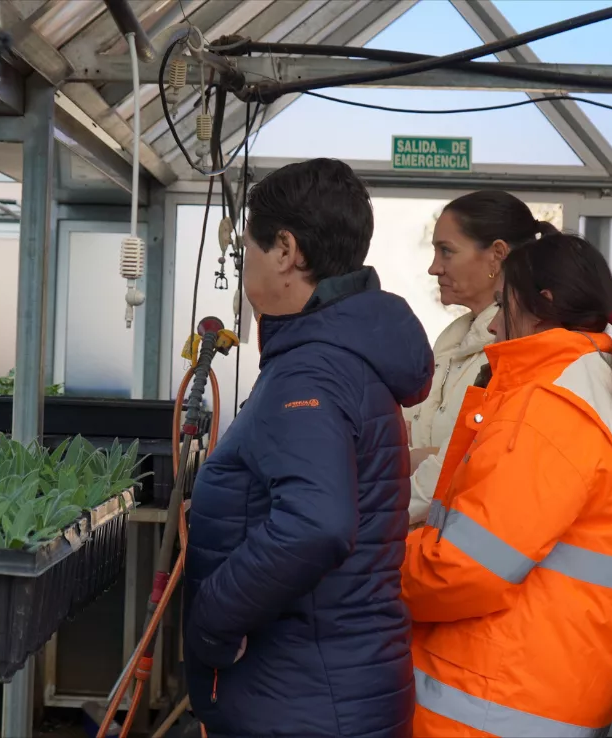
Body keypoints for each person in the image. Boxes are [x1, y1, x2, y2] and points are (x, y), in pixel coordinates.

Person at [183, 158, 434, 738]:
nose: (242, 267)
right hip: (334, 684)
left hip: (307, 696)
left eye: (248, 249)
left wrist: (212, 621)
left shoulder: (311, 373)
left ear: (286, 250)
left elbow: (315, 524)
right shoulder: (342, 354)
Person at [402, 227, 612, 736]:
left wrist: (379, 569)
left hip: (493, 704)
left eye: (503, 306)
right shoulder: (596, 387)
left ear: (540, 305)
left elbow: (465, 568)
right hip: (542, 691)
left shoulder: (551, 409)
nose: (495, 326)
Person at [408, 191, 549, 527]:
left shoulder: (525, 347)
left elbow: (470, 462)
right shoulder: (450, 342)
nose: (434, 267)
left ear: (496, 255)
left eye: (446, 251)